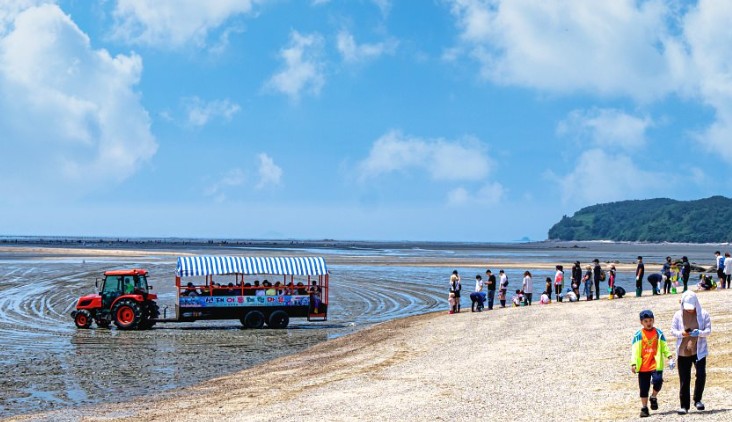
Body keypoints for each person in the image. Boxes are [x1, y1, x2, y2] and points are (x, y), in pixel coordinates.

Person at [670, 291, 712, 414]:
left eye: (691, 308)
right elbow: (673, 331)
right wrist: (681, 333)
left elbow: (708, 331)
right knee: (684, 378)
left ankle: (698, 399)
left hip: (699, 350)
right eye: (687, 308)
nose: (689, 310)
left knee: (701, 374)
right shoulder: (678, 315)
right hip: (683, 351)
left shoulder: (704, 314)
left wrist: (699, 332)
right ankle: (684, 406)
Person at [631, 309, 674, 418]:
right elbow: (634, 351)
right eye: (646, 321)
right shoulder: (638, 335)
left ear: (653, 320)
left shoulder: (658, 333)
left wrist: (669, 356)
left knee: (658, 381)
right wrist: (633, 363)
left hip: (656, 364)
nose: (648, 323)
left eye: (650, 320)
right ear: (641, 322)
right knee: (643, 388)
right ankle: (644, 408)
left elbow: (664, 346)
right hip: (643, 366)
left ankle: (653, 397)